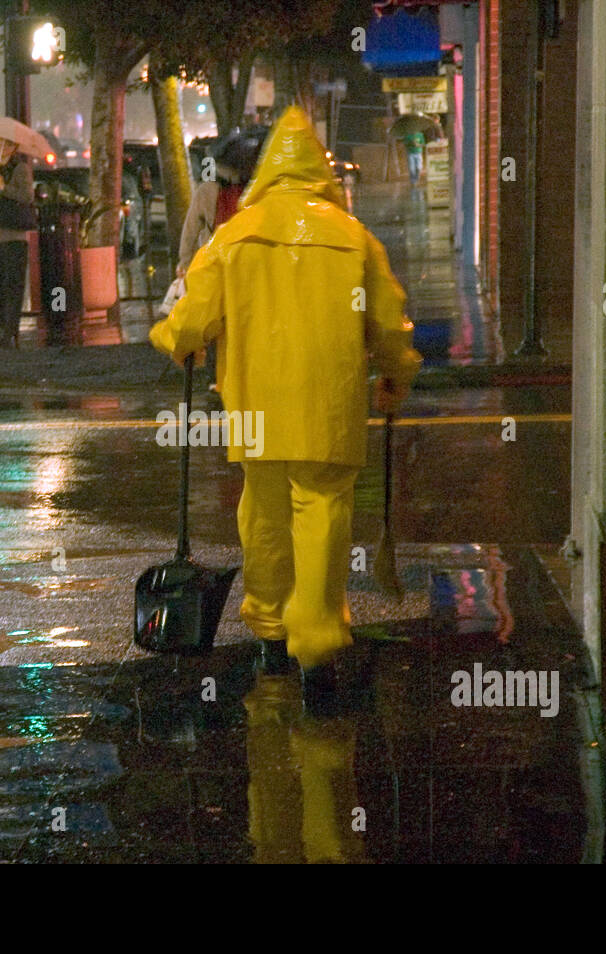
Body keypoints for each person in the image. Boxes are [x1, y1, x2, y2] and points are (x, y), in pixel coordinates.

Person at [149, 107, 422, 714]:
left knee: (264, 515)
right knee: (323, 515)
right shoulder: (354, 238)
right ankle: (317, 643)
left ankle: (270, 633)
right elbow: (387, 325)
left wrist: (170, 339)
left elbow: (192, 318)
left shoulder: (235, 236)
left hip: (256, 411)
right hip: (330, 408)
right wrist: (395, 374)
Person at [177, 135, 262, 390]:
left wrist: (184, 261)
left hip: (215, 262)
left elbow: (191, 229)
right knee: (245, 319)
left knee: (216, 320)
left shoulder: (207, 190)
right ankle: (246, 372)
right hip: (249, 263)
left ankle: (219, 377)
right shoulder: (256, 191)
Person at [0, 147, 36, 348]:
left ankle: (10, 330)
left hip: (12, 234)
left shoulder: (20, 168)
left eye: (1, 142)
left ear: (12, 147)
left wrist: (3, 186)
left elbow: (27, 196)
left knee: (12, 284)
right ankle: (2, 323)